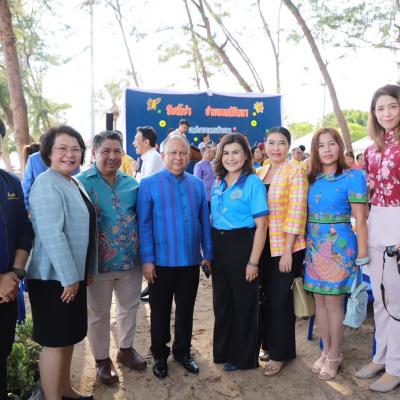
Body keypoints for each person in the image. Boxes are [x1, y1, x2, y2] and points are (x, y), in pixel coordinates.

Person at [26, 125, 97, 400]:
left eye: (75, 149)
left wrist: (86, 271)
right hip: (53, 279)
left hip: (71, 277)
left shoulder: (73, 182)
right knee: (55, 342)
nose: (70, 154)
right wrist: (69, 278)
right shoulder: (46, 183)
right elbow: (51, 234)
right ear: (48, 153)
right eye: (62, 149)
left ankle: (65, 390)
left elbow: (85, 231)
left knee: (68, 337)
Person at [137, 135, 212, 379]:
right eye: (172, 153)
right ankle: (160, 354)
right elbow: (144, 225)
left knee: (186, 310)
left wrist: (207, 253)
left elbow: (204, 222)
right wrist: (147, 260)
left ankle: (182, 352)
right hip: (160, 263)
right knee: (159, 311)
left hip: (190, 261)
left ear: (189, 156)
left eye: (182, 153)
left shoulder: (197, 184)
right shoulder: (148, 184)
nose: (178, 157)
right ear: (163, 155)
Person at [77, 130, 146, 386]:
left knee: (129, 307)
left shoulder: (132, 184)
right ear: (94, 153)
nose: (112, 156)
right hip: (97, 264)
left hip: (131, 260)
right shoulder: (80, 183)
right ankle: (102, 360)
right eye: (106, 151)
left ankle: (125, 349)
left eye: (117, 151)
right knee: (98, 313)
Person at [304, 128, 368, 381]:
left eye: (332, 144)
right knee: (319, 301)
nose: (327, 149)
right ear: (315, 150)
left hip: (339, 246)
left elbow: (361, 219)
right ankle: (325, 350)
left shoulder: (353, 176)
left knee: (334, 303)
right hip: (313, 246)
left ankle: (334, 354)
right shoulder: (311, 177)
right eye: (321, 145)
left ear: (339, 146)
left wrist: (362, 253)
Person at [211, 133, 268, 371]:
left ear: (246, 155)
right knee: (222, 302)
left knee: (244, 304)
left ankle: (243, 357)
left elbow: (262, 226)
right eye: (226, 153)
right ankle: (223, 351)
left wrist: (253, 262)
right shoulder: (218, 182)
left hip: (242, 245)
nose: (230, 158)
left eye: (236, 152)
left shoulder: (252, 183)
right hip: (219, 246)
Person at [356, 84, 400, 392]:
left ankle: (396, 366)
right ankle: (381, 356)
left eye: (392, 106)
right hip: (375, 223)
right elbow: (366, 194)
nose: (386, 113)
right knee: (381, 300)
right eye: (380, 108)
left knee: (396, 302)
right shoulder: (371, 150)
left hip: (398, 223)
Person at [256, 127, 308, 376]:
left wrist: (288, 250)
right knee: (265, 297)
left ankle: (281, 353)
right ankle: (268, 345)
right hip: (262, 246)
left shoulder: (295, 171)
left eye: (281, 143)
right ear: (264, 145)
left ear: (289, 146)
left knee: (280, 300)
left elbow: (297, 211)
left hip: (286, 247)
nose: (276, 148)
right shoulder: (260, 171)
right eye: (271, 142)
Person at [0, 120, 33, 400]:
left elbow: (24, 229)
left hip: (8, 291)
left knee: (2, 352)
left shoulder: (11, 183)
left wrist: (15, 272)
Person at [133, 126, 164, 302]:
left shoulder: (153, 158)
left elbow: (144, 186)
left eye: (136, 139)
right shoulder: (148, 158)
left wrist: (136, 173)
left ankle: (154, 288)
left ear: (146, 141)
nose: (133, 143)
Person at [22, 137, 47, 210]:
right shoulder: (34, 159)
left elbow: (26, 189)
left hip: (38, 207)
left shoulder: (33, 160)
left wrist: (28, 209)